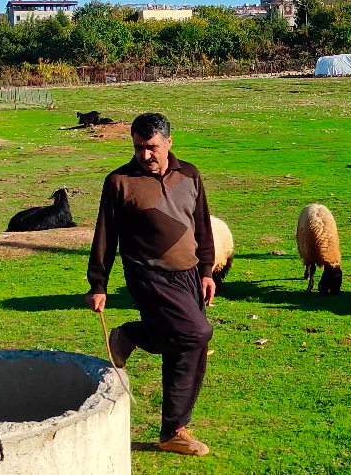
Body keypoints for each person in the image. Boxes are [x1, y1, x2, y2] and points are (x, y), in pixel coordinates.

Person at [85, 113, 215, 456]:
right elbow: (105, 236)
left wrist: (206, 270)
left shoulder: (190, 174)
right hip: (148, 274)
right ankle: (130, 335)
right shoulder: (119, 182)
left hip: (189, 275)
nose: (145, 155)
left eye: (152, 147)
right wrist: (98, 283)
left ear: (169, 143)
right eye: (139, 147)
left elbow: (201, 225)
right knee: (197, 332)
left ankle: (174, 430)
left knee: (188, 349)